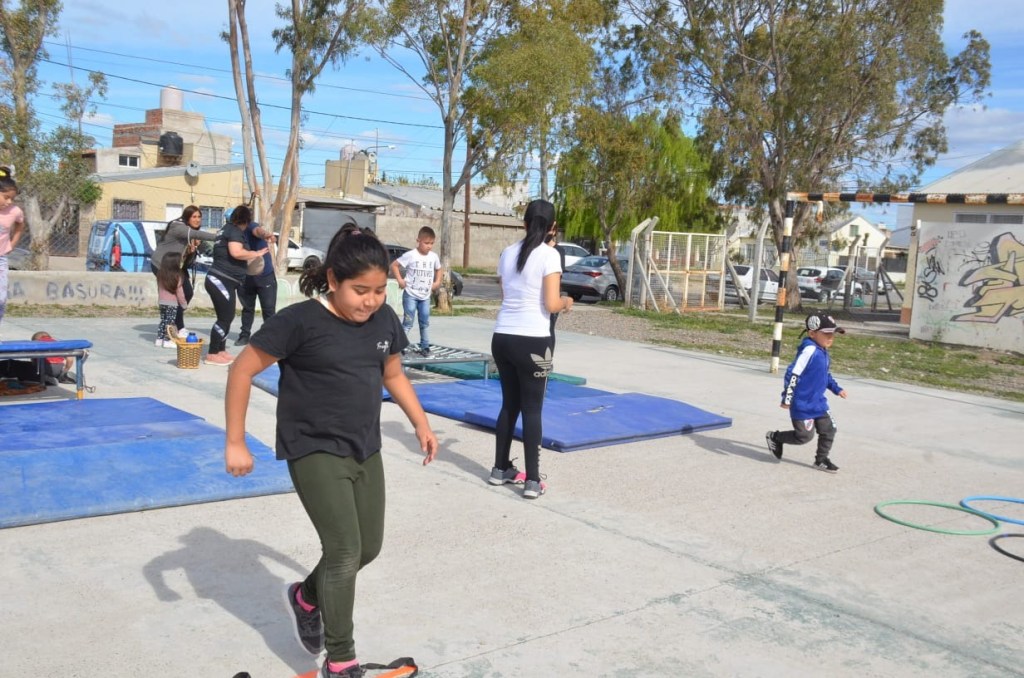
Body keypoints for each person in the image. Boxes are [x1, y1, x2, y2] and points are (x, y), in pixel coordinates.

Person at [223, 224, 438, 678]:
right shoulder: (300, 322)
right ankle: (341, 661)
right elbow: (241, 370)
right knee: (343, 551)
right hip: (312, 448)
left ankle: (306, 598)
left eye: (379, 290)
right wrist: (236, 441)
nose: (371, 301)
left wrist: (421, 423)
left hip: (365, 446)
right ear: (334, 280)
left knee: (367, 548)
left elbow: (393, 375)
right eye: (361, 290)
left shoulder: (384, 319)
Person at [488, 199, 572, 499]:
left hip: (503, 336)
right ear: (552, 227)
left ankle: (500, 469)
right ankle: (533, 481)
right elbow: (551, 304)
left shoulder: (507, 253)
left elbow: (507, 296)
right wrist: (567, 302)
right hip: (533, 340)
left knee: (509, 404)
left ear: (524, 223)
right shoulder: (550, 255)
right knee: (532, 409)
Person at [765, 311, 848, 473]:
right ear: (812, 333)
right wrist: (787, 398)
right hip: (802, 403)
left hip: (818, 403)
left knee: (829, 430)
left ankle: (821, 460)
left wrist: (836, 389)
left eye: (833, 334)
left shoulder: (823, 351)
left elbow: (825, 375)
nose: (831, 338)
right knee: (804, 437)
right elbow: (793, 373)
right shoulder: (809, 351)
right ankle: (775, 437)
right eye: (826, 334)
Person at [203, 205, 267, 366]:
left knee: (227, 316)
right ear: (246, 220)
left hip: (224, 280)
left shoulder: (226, 230)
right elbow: (236, 252)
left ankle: (221, 350)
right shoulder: (234, 231)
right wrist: (255, 253)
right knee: (225, 317)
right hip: (221, 279)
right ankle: (212, 354)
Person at [151, 205, 218, 335]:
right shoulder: (179, 227)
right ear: (187, 217)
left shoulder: (189, 232)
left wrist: (191, 251)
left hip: (175, 266)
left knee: (187, 293)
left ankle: (175, 325)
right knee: (172, 298)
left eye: (199, 217)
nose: (197, 220)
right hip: (161, 265)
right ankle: (174, 328)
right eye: (194, 217)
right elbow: (197, 234)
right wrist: (219, 236)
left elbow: (185, 259)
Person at [389, 226, 442, 355]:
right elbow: (394, 265)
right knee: (408, 322)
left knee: (424, 322)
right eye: (426, 243)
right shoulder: (411, 255)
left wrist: (437, 282)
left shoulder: (433, 257)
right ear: (418, 241)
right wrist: (400, 280)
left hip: (425, 296)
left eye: (431, 243)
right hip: (411, 295)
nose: (429, 246)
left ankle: (425, 346)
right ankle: (399, 346)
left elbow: (439, 269)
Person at [235, 218, 278, 346]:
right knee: (247, 308)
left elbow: (258, 231)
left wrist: (266, 235)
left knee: (268, 309)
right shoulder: (233, 233)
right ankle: (244, 336)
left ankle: (270, 338)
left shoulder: (250, 226)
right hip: (246, 276)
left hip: (265, 276)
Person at [0, 167, 26, 336]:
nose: (9, 202)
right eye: (6, 197)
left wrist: (12, 244)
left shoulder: (15, 212)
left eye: (12, 198)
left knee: (1, 299)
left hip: (1, 258)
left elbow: (20, 226)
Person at [155, 252, 188, 347]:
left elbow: (159, 289)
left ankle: (159, 339)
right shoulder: (177, 276)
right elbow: (180, 293)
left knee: (163, 321)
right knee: (170, 323)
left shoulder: (160, 274)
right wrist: (184, 304)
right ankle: (168, 340)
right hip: (172, 304)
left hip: (162, 302)